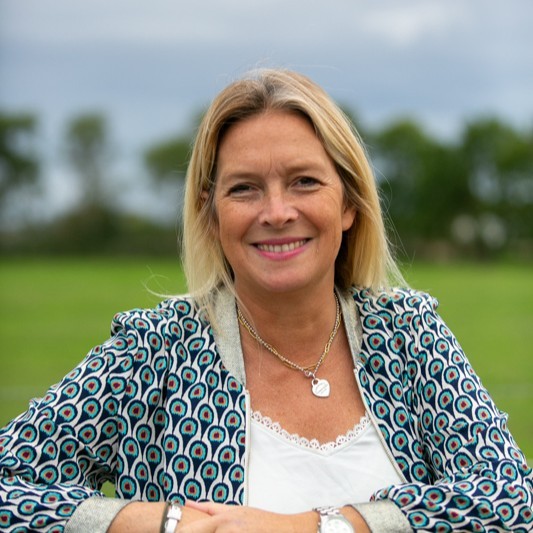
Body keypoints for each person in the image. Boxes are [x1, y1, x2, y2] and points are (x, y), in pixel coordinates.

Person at [0, 69, 531, 533]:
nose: (276, 213)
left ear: (349, 204)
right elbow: (10, 481)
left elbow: (510, 497)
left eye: (304, 182)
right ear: (210, 214)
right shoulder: (157, 350)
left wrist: (321, 525)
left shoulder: (408, 334)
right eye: (244, 189)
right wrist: (158, 521)